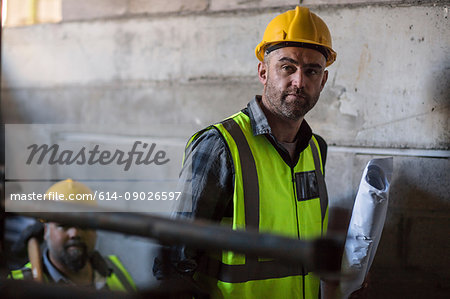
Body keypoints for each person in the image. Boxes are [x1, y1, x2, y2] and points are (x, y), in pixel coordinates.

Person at [155, 6, 348, 299]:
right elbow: (172, 263)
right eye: (287, 67)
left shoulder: (315, 149)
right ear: (263, 72)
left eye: (312, 71)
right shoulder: (220, 146)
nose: (299, 81)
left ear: (323, 80)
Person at [9, 179, 136, 292]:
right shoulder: (17, 285)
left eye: (84, 224)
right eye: (63, 225)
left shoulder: (115, 270)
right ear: (46, 230)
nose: (75, 233)